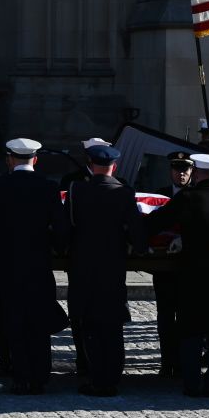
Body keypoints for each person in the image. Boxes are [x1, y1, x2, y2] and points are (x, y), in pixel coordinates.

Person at [0, 138, 68, 394]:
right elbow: (59, 227)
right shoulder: (48, 187)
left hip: (8, 262)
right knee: (38, 319)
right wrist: (59, 249)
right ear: (35, 159)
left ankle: (21, 376)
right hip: (39, 263)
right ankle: (41, 375)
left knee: (15, 320)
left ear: (9, 159)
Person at [145, 152, 209, 397]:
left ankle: (192, 382)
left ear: (197, 172)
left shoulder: (189, 197)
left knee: (191, 330)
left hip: (194, 274)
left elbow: (156, 222)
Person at [59, 144, 146, 396]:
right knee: (112, 323)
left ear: (90, 165)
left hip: (83, 267)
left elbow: (67, 229)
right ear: (114, 167)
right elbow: (137, 236)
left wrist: (62, 249)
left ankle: (97, 377)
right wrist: (138, 248)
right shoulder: (125, 193)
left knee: (89, 325)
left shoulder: (77, 190)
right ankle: (113, 376)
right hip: (113, 268)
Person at [151, 150, 194, 377]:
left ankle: (185, 362)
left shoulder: (196, 196)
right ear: (171, 171)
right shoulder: (159, 195)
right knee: (165, 316)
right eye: (177, 169)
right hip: (163, 266)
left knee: (186, 317)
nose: (181, 174)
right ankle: (167, 362)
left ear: (192, 171)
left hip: (186, 268)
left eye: (185, 169)